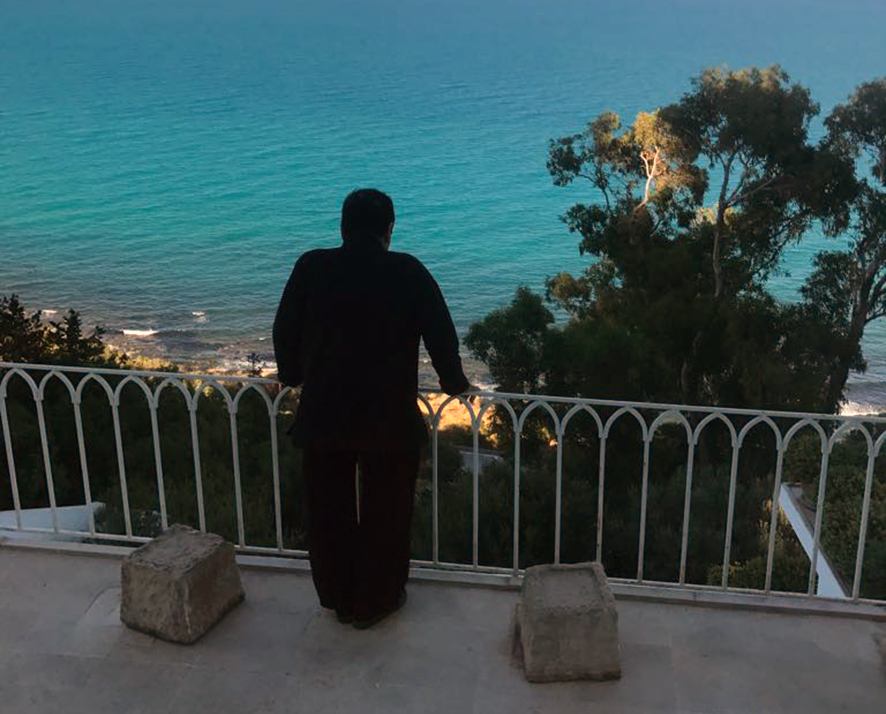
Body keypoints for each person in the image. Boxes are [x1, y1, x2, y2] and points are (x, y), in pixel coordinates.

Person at [273, 188, 470, 629]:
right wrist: (455, 384)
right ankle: (376, 600)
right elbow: (441, 334)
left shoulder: (312, 266)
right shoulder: (408, 271)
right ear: (390, 228)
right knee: (388, 508)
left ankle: (338, 595)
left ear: (342, 227)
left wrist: (292, 374)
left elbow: (284, 327)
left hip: (324, 410)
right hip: (388, 413)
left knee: (328, 509)